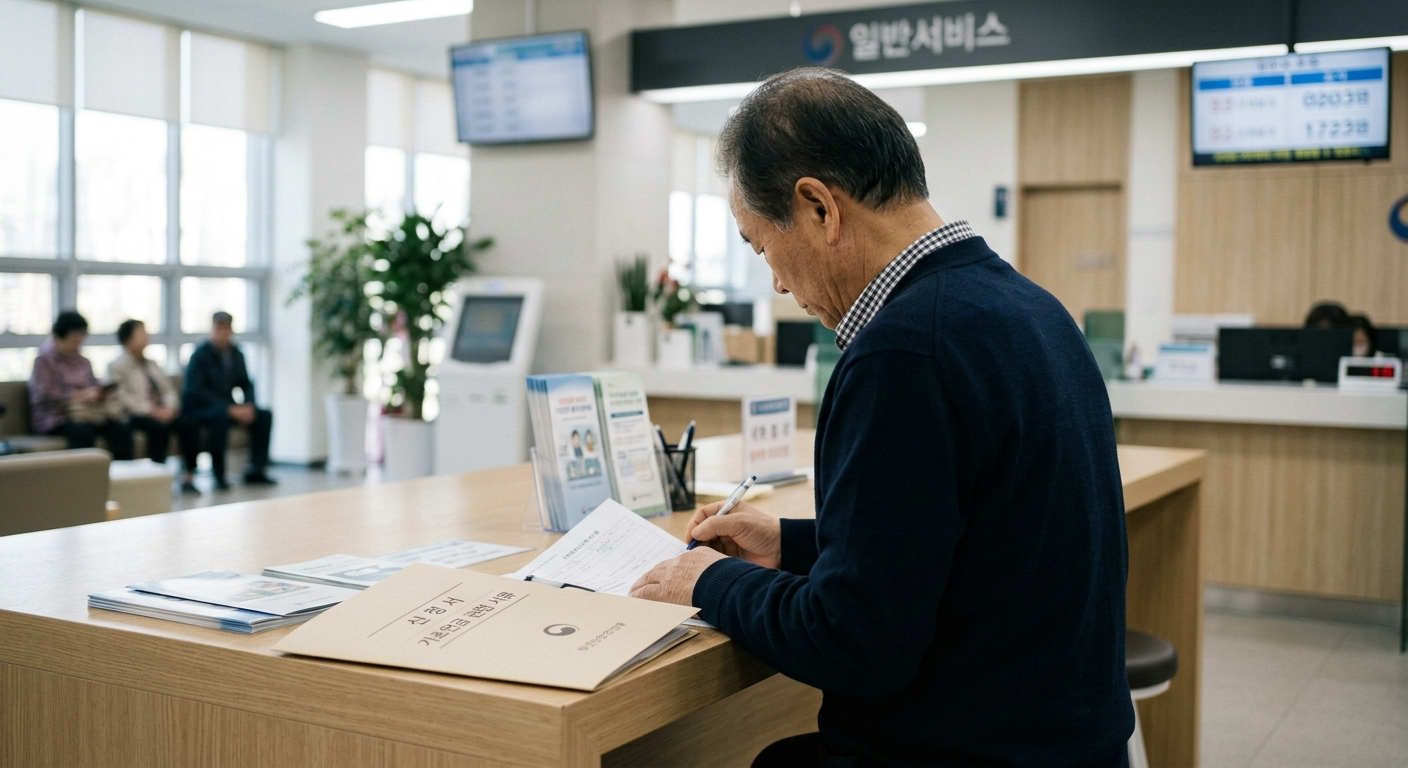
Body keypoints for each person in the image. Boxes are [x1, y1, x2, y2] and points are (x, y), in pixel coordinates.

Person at [629, 69, 1132, 767]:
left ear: (817, 208)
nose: (775, 280)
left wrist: (708, 582)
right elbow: (966, 544)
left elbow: (857, 646)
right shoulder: (1030, 309)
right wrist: (794, 545)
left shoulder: (904, 353)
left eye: (760, 245)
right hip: (1067, 741)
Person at [181, 311, 275, 489]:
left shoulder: (236, 354)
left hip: (226, 407)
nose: (222, 333)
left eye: (226, 328)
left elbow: (246, 383)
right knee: (220, 417)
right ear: (212, 329)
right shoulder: (200, 355)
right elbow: (196, 392)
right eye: (218, 328)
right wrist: (229, 408)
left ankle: (256, 469)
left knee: (264, 415)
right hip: (201, 409)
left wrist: (249, 406)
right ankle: (219, 474)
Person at [28, 311, 134, 458]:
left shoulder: (83, 362)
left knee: (121, 430)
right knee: (82, 432)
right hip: (56, 417)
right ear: (60, 336)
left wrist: (101, 393)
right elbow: (45, 394)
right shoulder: (44, 362)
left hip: (88, 414)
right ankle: (83, 479)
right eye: (75, 337)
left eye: (81, 337)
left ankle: (122, 477)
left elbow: (94, 385)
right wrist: (80, 396)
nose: (79, 341)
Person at [108, 319, 188, 466]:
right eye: (142, 333)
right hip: (137, 414)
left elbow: (168, 389)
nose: (147, 336)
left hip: (162, 410)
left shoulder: (152, 364)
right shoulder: (118, 366)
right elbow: (123, 398)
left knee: (188, 423)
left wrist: (169, 408)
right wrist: (153, 411)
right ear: (128, 339)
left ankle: (188, 476)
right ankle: (156, 471)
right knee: (157, 428)